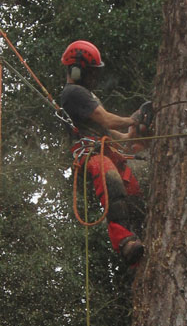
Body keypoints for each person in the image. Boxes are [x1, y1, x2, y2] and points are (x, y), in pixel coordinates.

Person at [60, 40, 145, 266]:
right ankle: (124, 241)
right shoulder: (74, 93)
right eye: (91, 72)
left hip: (104, 149)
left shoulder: (88, 95)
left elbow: (115, 133)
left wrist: (132, 128)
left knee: (133, 189)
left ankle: (139, 232)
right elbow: (107, 119)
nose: (95, 78)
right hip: (89, 154)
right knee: (111, 178)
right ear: (77, 70)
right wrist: (133, 119)